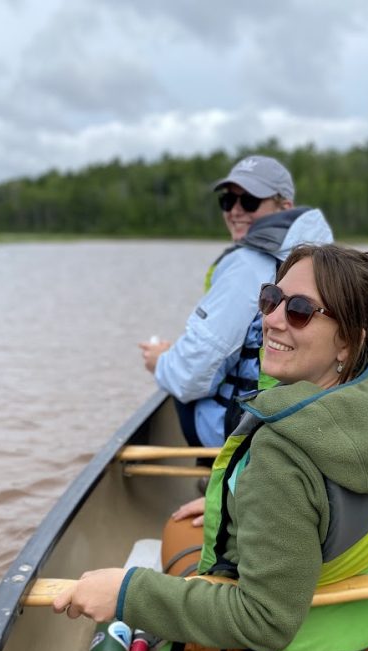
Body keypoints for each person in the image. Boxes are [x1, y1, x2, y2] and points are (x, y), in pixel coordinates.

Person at [54, 243, 368, 651]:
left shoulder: (283, 456)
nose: (272, 319)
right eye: (270, 298)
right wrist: (241, 503)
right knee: (202, 519)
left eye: (299, 311)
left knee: (177, 531)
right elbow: (324, 513)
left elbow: (265, 622)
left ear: (348, 340)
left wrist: (126, 595)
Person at [138, 155, 333, 451]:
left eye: (250, 200)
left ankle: (213, 476)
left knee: (179, 388)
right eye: (228, 201)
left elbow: (192, 376)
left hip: (251, 429)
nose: (236, 211)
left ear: (284, 207)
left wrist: (161, 362)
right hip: (309, 418)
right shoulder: (326, 260)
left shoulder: (248, 265)